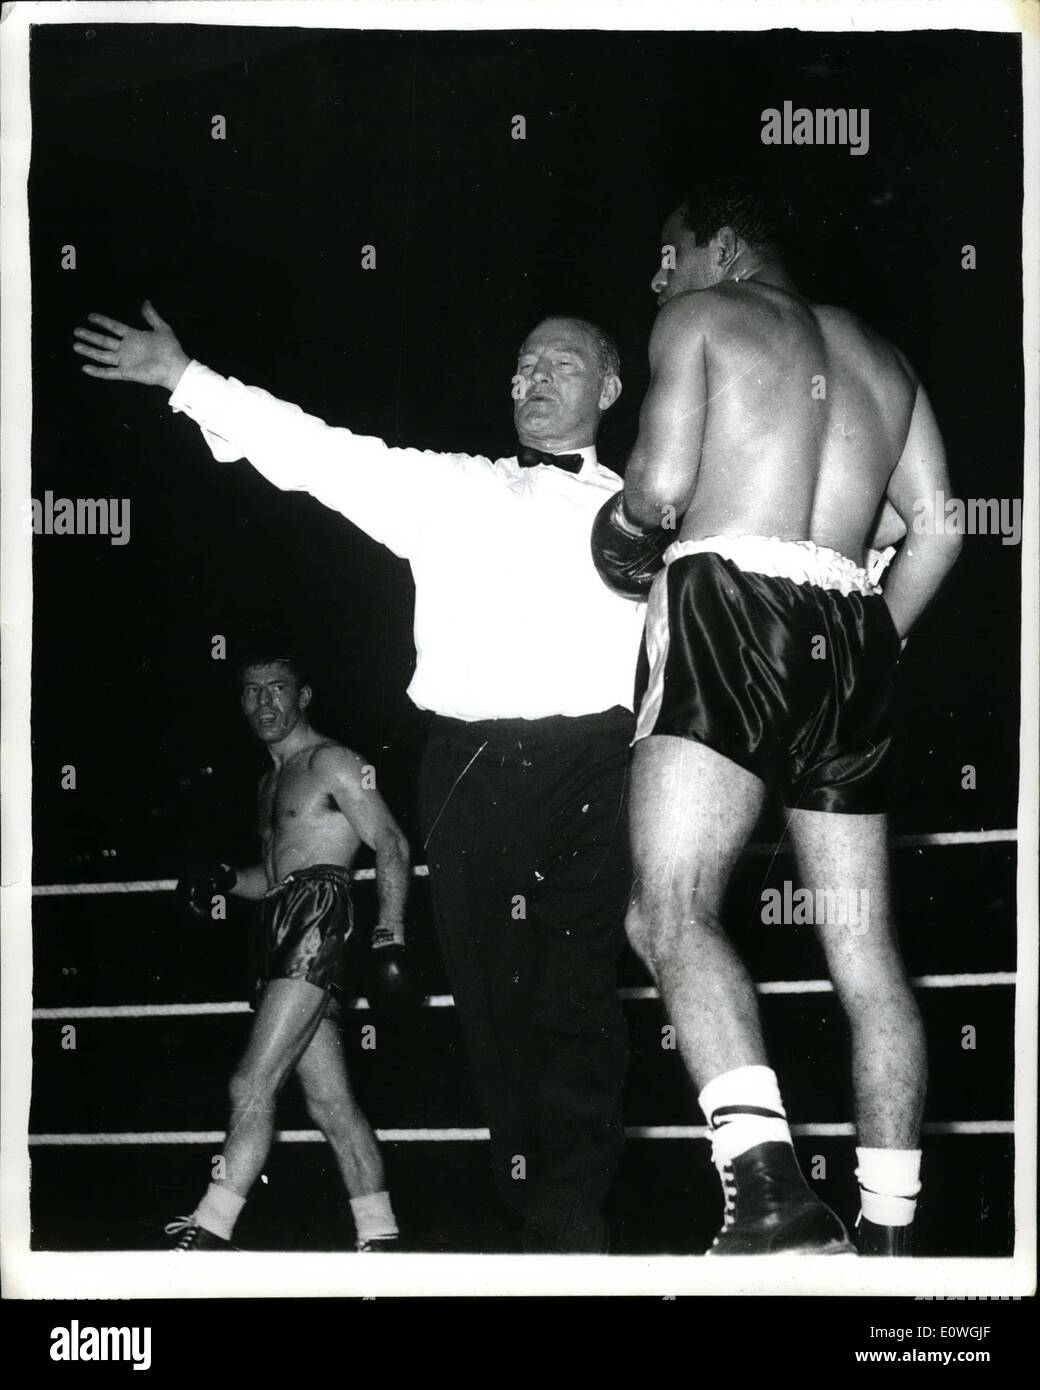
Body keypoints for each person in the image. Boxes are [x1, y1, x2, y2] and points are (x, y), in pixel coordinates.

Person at [72, 308, 645, 1253]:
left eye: (563, 364)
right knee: (499, 1007)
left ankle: (574, 1230)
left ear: (610, 390)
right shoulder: (452, 488)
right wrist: (187, 380)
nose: (535, 379)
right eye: (522, 363)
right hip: (476, 770)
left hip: (602, 761)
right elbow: (319, 453)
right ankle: (529, 1218)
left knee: (579, 999)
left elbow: (757, 568)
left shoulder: (650, 511)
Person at [592, 177, 961, 1256]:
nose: (658, 275)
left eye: (669, 251)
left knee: (665, 909)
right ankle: (887, 1236)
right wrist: (866, 644)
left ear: (719, 245)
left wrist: (620, 536)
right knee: (862, 947)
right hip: (848, 615)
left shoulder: (700, 318)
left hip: (729, 602)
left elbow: (657, 494)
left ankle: (769, 1202)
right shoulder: (880, 356)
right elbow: (936, 526)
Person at [166, 643, 411, 1251]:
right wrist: (227, 877)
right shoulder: (268, 782)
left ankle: (211, 1228)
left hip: (320, 917)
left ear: (303, 696)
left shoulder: (330, 761)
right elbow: (272, 878)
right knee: (330, 1103)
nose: (264, 701)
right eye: (252, 690)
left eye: (277, 687)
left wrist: (391, 931)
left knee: (250, 1084)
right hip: (280, 919)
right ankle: (380, 1237)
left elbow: (390, 843)